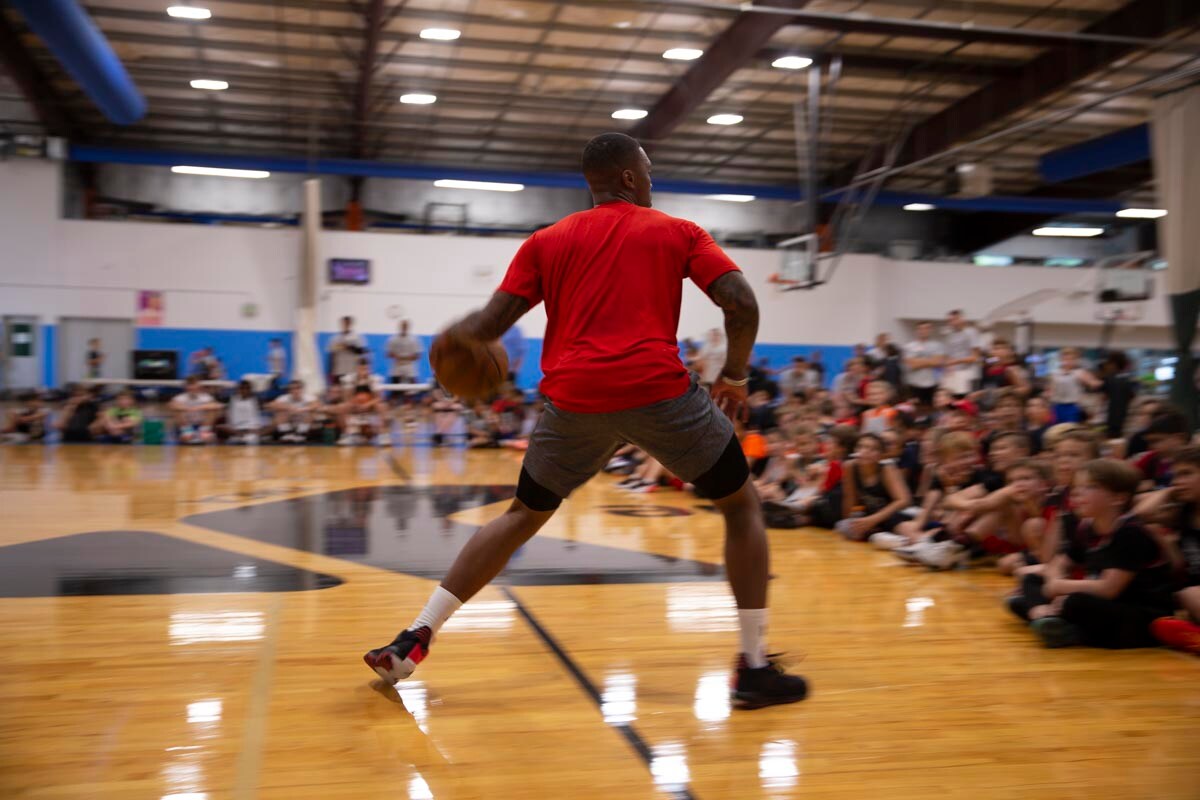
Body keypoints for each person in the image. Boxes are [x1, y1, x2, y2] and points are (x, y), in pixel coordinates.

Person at [363, 132, 808, 707]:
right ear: (627, 177)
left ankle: (415, 636)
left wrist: (451, 348)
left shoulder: (546, 241)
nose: (651, 181)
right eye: (647, 171)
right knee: (741, 505)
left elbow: (486, 327)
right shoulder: (678, 231)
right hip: (658, 391)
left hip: (574, 399)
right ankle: (752, 666)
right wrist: (736, 376)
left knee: (523, 514)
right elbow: (742, 302)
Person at [1006, 459, 1174, 649]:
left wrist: (1060, 586)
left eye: (1090, 487)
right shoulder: (1087, 527)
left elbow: (1109, 589)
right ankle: (1046, 618)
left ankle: (1065, 628)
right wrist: (1053, 585)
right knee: (1030, 582)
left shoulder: (1129, 532)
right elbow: (1059, 563)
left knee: (1075, 602)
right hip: (1106, 604)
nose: (1077, 494)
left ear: (1118, 498)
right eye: (1077, 488)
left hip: (1140, 613)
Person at [1135, 446, 1200, 653]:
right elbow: (1140, 515)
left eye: (1186, 474)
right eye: (1175, 475)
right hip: (1192, 594)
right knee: (1185, 596)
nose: (1178, 481)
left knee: (1189, 594)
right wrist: (1170, 490)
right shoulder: (1182, 513)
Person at [1046, 347, 1101, 424]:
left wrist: (1091, 383)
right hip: (1056, 405)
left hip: (1072, 406)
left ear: (1076, 360)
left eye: (1072, 359)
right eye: (1066, 358)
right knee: (1055, 429)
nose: (1068, 361)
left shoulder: (1079, 372)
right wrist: (1048, 396)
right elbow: (1049, 389)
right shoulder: (1055, 374)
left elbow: (1095, 384)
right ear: (1061, 359)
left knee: (1070, 428)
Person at [903, 322, 945, 408]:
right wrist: (930, 361)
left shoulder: (937, 345)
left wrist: (918, 361)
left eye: (926, 328)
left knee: (933, 408)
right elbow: (911, 365)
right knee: (914, 409)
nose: (923, 331)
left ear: (930, 330)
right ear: (917, 330)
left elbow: (938, 362)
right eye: (921, 328)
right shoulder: (910, 346)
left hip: (932, 383)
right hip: (914, 384)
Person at [169, 375, 221, 444]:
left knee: (212, 410)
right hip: (187, 425)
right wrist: (187, 408)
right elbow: (172, 405)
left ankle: (204, 431)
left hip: (201, 425)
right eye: (190, 385)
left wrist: (198, 407)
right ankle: (187, 432)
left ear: (198, 386)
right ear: (186, 387)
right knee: (177, 411)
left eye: (194, 385)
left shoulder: (205, 397)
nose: (193, 388)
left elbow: (217, 405)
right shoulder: (180, 398)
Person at [940, 310, 980, 398]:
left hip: (969, 373)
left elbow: (975, 357)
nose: (953, 322)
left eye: (955, 319)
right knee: (951, 399)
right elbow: (947, 357)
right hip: (954, 374)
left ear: (962, 319)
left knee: (967, 401)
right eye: (950, 320)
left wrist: (956, 361)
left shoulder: (971, 332)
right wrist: (947, 366)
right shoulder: (949, 336)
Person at [1099, 351, 1138, 440]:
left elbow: (1103, 398)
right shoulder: (1129, 381)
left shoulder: (1109, 380)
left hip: (1110, 420)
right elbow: (1132, 397)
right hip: (1124, 420)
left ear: (1113, 364)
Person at [220, 380, 264, 444]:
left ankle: (245, 435)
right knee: (220, 427)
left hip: (252, 428)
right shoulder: (231, 399)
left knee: (270, 427)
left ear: (251, 390)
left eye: (247, 388)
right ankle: (241, 435)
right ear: (238, 389)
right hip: (235, 428)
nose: (245, 390)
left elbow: (267, 406)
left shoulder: (256, 400)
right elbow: (218, 403)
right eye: (242, 388)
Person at [328, 316, 367, 384]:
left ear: (351, 324)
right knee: (339, 390)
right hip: (338, 370)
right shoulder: (335, 339)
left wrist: (348, 347)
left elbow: (361, 352)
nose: (345, 325)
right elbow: (332, 355)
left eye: (347, 323)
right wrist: (330, 371)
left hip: (352, 371)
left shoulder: (357, 337)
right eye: (344, 323)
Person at [386, 320, 423, 387]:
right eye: (403, 326)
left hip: (410, 367)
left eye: (405, 326)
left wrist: (404, 358)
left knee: (413, 388)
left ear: (408, 327)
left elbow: (418, 355)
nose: (404, 328)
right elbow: (388, 353)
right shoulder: (393, 339)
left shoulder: (414, 340)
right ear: (400, 327)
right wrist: (397, 357)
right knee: (395, 387)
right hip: (397, 366)